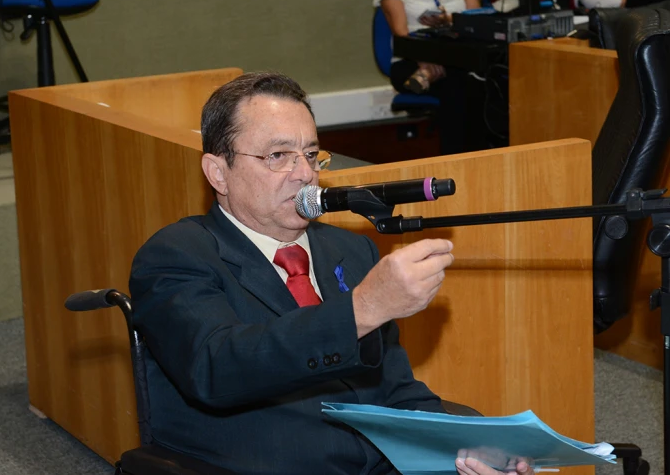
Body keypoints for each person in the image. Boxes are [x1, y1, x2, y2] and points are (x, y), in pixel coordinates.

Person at [129, 72, 536, 475]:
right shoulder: (177, 254)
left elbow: (392, 387)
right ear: (218, 172)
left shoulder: (349, 248)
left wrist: (462, 443)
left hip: (381, 463)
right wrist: (360, 310)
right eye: (278, 155)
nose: (304, 173)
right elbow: (217, 368)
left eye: (310, 154)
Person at [373, 0, 493, 155]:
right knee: (459, 85)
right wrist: (425, 61)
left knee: (486, 83)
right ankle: (456, 162)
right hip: (412, 59)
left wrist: (449, 20)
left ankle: (484, 157)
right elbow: (401, 32)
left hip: (458, 58)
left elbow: (476, 21)